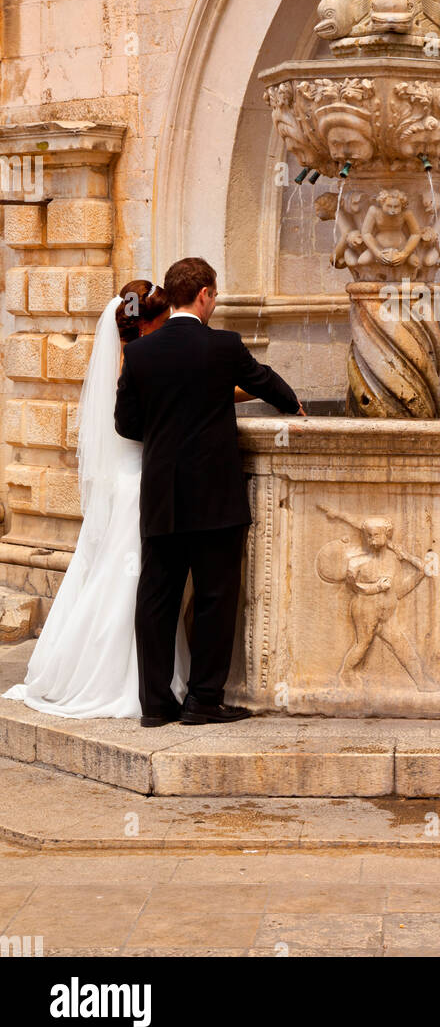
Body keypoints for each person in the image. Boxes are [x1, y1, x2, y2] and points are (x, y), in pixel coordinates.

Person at [115, 256, 303, 727]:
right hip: (216, 499)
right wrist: (294, 405)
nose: (214, 303)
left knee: (157, 596)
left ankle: (155, 705)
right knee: (216, 597)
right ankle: (202, 702)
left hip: (163, 496)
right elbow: (263, 381)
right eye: (214, 295)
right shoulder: (224, 346)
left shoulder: (140, 354)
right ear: (204, 295)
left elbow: (125, 424)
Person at [3, 282, 190, 718]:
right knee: (134, 582)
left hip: (121, 480)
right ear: (146, 324)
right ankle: (123, 679)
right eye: (162, 322)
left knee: (113, 574)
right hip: (138, 482)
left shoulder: (125, 359)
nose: (166, 330)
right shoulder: (139, 362)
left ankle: (118, 672)